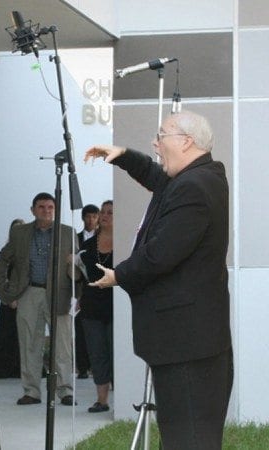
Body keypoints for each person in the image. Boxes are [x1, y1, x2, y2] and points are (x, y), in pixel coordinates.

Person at [86, 110, 232, 449]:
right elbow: (156, 176)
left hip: (187, 347)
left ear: (185, 141)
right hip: (190, 344)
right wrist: (123, 156)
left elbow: (161, 254)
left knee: (188, 438)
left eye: (161, 135)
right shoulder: (200, 175)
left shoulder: (194, 186)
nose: (155, 142)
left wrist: (119, 275)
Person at [0, 192, 76, 406]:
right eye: (41, 207)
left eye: (50, 207)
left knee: (63, 345)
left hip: (59, 293)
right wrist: (5, 292)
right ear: (32, 210)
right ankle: (31, 391)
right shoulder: (20, 233)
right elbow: (3, 259)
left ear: (55, 210)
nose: (46, 211)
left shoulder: (68, 233)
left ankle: (65, 390)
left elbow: (78, 268)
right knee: (30, 343)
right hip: (28, 292)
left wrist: (78, 290)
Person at [75, 200, 113, 413]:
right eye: (103, 212)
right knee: (97, 353)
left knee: (116, 351)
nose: (105, 216)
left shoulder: (126, 243)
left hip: (116, 307)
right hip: (92, 306)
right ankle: (102, 400)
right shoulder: (88, 246)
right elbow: (81, 275)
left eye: (111, 213)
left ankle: (124, 397)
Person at [0, 218, 24, 379]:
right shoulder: (6, 251)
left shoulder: (27, 250)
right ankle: (5, 367)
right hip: (8, 299)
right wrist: (7, 296)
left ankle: (20, 367)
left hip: (24, 298)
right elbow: (1, 274)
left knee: (22, 334)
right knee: (6, 334)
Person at [74, 203, 100, 379]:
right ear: (83, 218)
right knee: (80, 328)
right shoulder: (75, 238)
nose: (91, 220)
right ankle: (82, 366)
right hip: (80, 287)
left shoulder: (104, 237)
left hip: (98, 286)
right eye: (88, 216)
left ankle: (95, 366)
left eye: (94, 216)